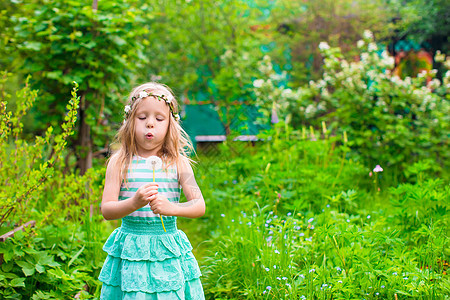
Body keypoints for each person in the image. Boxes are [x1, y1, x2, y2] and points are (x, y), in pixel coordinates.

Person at [98, 82, 206, 299]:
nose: (150, 125)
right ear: (130, 121)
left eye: (159, 119)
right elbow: (107, 210)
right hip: (131, 247)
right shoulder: (119, 162)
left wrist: (171, 207)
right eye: (142, 117)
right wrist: (133, 203)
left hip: (166, 246)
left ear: (169, 125)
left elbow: (199, 205)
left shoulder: (178, 163)